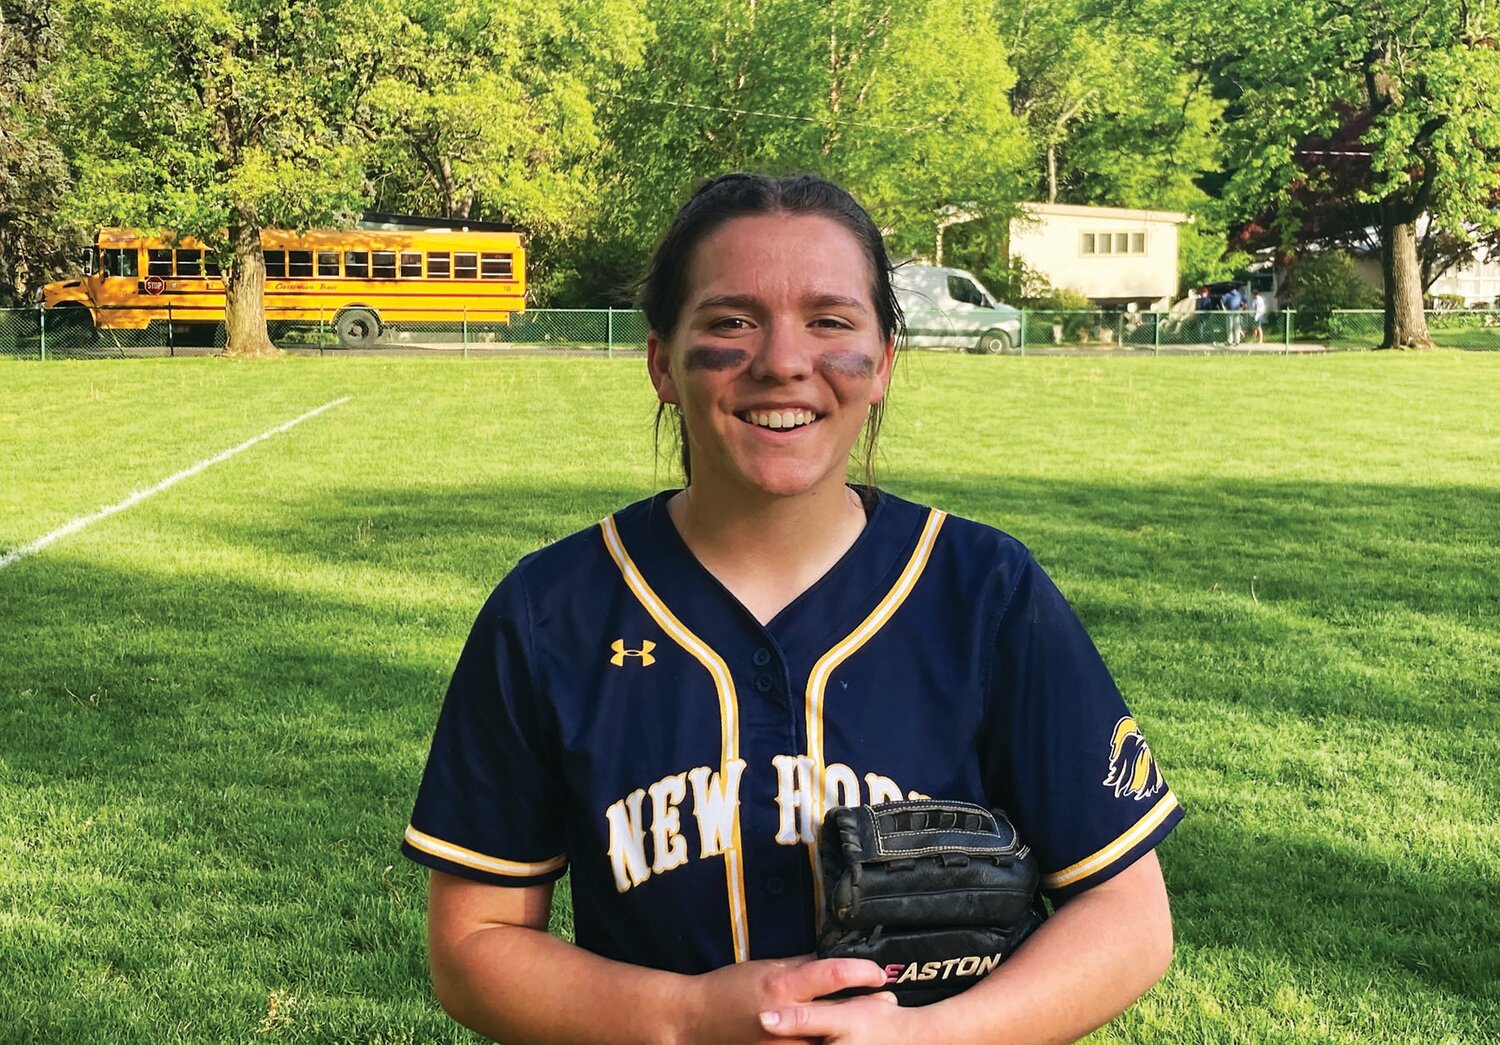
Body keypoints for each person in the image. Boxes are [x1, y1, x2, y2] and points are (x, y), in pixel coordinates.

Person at [401, 172, 1183, 1044]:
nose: (781, 359)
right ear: (662, 361)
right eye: (731, 321)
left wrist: (932, 1038)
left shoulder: (986, 591)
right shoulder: (551, 614)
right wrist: (686, 1018)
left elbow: (1128, 916)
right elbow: (474, 943)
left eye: (830, 321)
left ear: (883, 361)